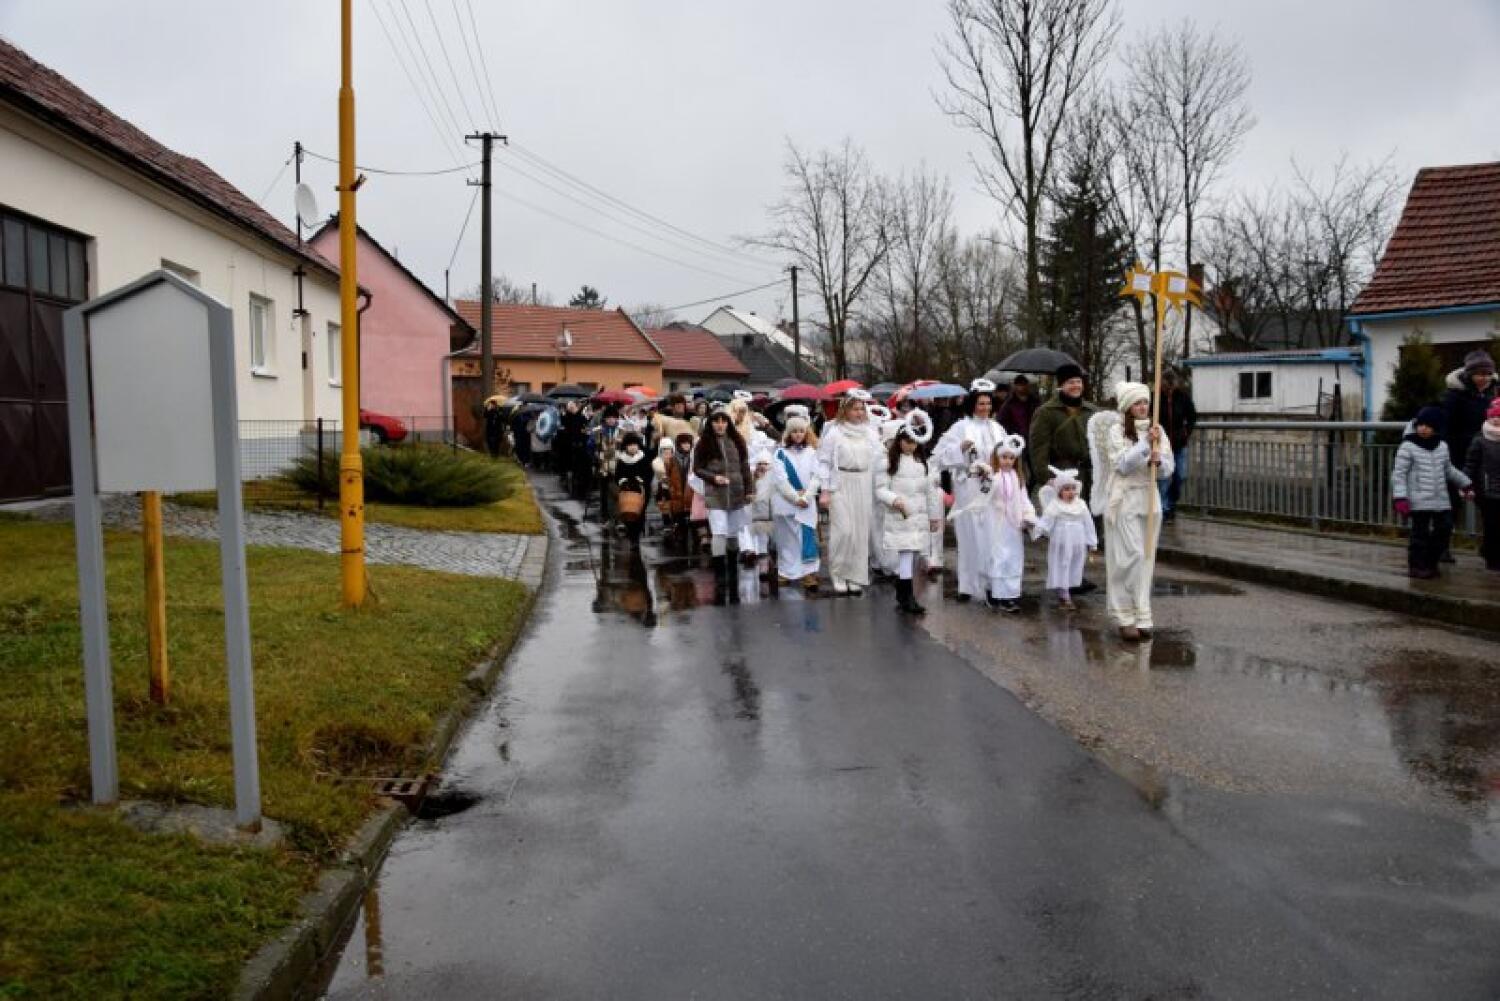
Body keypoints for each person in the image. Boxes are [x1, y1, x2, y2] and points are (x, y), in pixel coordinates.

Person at [1087, 382, 1174, 641]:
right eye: (1137, 403)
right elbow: (1123, 465)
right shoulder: (1116, 431)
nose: (1143, 407)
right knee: (1130, 557)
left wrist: (1160, 461)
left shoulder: (1157, 430)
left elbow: (1168, 470)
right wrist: (1145, 444)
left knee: (1146, 559)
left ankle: (1141, 615)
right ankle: (1123, 615)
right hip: (1124, 499)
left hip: (1149, 498)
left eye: (1145, 402)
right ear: (1127, 407)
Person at [934, 379, 1008, 603]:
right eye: (981, 404)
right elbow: (939, 457)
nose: (985, 408)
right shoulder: (960, 427)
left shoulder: (997, 428)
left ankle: (991, 584)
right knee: (969, 535)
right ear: (972, 405)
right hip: (969, 487)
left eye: (988, 404)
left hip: (992, 487)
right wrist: (959, 449)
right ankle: (967, 585)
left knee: (992, 536)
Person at [1029, 363, 1099, 593]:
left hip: (1085, 476)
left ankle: (1076, 576)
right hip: (1060, 474)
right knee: (1062, 531)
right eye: (1071, 382)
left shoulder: (1091, 411)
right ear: (1061, 385)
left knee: (1081, 527)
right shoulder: (1046, 412)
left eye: (1078, 381)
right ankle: (1063, 578)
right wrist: (1045, 477)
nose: (1076, 386)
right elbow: (1038, 447)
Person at [1393, 406, 1473, 579]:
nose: (1423, 428)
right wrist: (1400, 497)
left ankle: (1430, 562)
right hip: (1418, 499)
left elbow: (1449, 470)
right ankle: (1416, 566)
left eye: (1428, 425)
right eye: (1420, 424)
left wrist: (1466, 484)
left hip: (1440, 499)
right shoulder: (1408, 446)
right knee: (1419, 534)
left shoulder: (1442, 446)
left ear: (1436, 427)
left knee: (1445, 528)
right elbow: (1399, 474)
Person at [816, 392, 882, 595]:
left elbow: (880, 459)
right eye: (855, 408)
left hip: (863, 482)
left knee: (860, 533)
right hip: (841, 483)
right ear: (845, 410)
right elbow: (824, 463)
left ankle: (854, 575)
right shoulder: (834, 433)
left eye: (862, 409)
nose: (859, 412)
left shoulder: (870, 433)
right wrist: (825, 490)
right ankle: (839, 573)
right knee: (843, 531)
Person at [875, 419, 943, 615]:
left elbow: (930, 493)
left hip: (918, 518)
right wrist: (894, 499)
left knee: (912, 555)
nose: (911, 446)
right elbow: (880, 489)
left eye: (914, 442)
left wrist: (934, 517)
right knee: (906, 554)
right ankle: (908, 596)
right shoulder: (889, 462)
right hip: (901, 516)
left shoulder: (922, 464)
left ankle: (903, 591)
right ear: (899, 441)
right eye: (907, 441)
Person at [690, 406, 754, 598]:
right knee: (719, 532)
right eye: (716, 421)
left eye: (723, 421)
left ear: (728, 423)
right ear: (710, 423)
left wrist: (749, 489)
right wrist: (713, 478)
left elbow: (745, 467)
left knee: (733, 533)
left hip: (736, 493)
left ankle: (732, 570)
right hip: (715, 494)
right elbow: (698, 469)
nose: (720, 425)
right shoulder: (704, 443)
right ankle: (720, 573)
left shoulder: (737, 440)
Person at [1440, 351, 1497, 559]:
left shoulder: (1492, 396)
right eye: (1479, 374)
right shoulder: (1454, 396)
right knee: (1451, 504)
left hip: (1485, 460)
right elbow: (1445, 427)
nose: (1484, 378)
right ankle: (1442, 547)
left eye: (1488, 374)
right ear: (1469, 374)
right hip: (1457, 456)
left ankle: (1490, 549)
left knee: (1490, 506)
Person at [1031, 466, 1098, 610]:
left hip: (1077, 541)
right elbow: (1046, 519)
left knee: (1074, 564)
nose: (1071, 492)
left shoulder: (1081, 505)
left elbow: (1088, 523)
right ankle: (1064, 594)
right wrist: (1038, 531)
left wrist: (1092, 542)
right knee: (1063, 564)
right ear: (1059, 491)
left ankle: (1069, 587)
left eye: (1073, 488)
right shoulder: (1055, 505)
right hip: (1062, 541)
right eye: (1066, 489)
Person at [770, 408, 823, 591]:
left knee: (805, 537)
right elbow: (780, 480)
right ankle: (786, 571)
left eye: (801, 431)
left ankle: (808, 572)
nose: (798, 434)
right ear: (788, 433)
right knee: (787, 539)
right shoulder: (780, 453)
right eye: (794, 431)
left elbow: (817, 476)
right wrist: (795, 497)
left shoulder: (812, 452)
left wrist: (807, 496)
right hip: (786, 503)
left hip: (806, 502)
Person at [986, 434, 1036, 613]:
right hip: (995, 524)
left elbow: (1024, 499)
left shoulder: (1017, 478)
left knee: (1012, 558)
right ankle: (994, 592)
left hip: (1013, 525)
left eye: (1011, 458)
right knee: (997, 557)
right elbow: (984, 495)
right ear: (997, 457)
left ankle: (1009, 595)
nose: (1007, 461)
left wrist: (1028, 515)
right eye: (1004, 457)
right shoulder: (993, 477)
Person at [1464, 399, 1500, 574]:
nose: (1496, 419)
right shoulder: (1480, 439)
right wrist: (1466, 484)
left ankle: (1488, 550)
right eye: (1494, 416)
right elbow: (1471, 464)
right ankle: (1493, 559)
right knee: (1491, 525)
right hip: (1486, 490)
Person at [1158, 369, 1197, 520]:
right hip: (1162, 445)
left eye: (1171, 386)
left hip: (1179, 444)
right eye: (1166, 386)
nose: (1168, 389)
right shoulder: (1156, 398)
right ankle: (1164, 508)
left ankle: (1171, 503)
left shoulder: (1183, 397)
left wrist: (1186, 432)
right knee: (1163, 478)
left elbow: (1192, 416)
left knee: (1180, 475)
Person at [654, 432, 696, 543]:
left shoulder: (693, 459)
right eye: (684, 443)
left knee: (690, 514)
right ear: (679, 445)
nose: (687, 446)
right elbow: (667, 474)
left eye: (688, 443)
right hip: (676, 490)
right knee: (678, 514)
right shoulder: (672, 460)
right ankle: (679, 533)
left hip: (689, 490)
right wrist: (670, 487)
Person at [613, 432, 654, 546]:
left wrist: (641, 480)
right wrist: (623, 481)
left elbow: (649, 473)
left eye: (635, 445)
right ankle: (631, 534)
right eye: (630, 445)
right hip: (627, 491)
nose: (633, 447)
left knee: (640, 513)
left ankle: (636, 535)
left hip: (642, 490)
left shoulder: (643, 458)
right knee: (628, 513)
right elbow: (618, 475)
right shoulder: (622, 460)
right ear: (625, 446)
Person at [997, 374, 1039, 441]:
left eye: (1024, 384)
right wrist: (1011, 434)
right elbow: (1001, 422)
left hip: (1033, 438)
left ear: (1027, 385)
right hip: (1015, 439)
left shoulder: (1035, 402)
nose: (1022, 387)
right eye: (1020, 384)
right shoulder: (1009, 404)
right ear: (1015, 386)